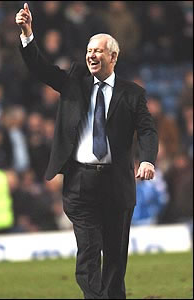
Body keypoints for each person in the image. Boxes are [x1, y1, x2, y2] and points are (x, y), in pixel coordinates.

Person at [15, 3, 158, 299]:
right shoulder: (73, 83)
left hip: (117, 183)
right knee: (89, 250)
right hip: (80, 183)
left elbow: (146, 129)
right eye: (89, 50)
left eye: (98, 51)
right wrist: (28, 34)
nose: (91, 55)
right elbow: (40, 68)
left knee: (116, 257)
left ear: (113, 56)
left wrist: (146, 159)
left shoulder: (132, 94)